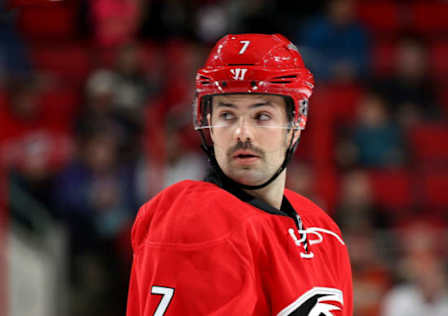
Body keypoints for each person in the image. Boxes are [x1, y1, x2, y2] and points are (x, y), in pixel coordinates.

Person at [126, 33, 353, 316]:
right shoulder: (196, 220)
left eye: (261, 116)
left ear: (295, 123)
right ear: (208, 122)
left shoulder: (324, 229)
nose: (241, 133)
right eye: (227, 115)